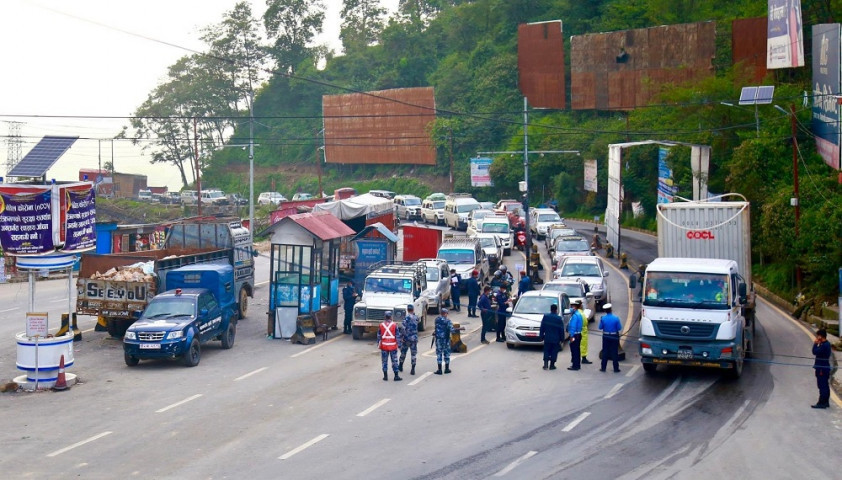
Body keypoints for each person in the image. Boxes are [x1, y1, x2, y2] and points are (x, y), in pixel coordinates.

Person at [539, 303, 565, 370]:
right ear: (556, 310)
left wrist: (541, 336)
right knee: (554, 351)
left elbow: (542, 327)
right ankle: (552, 365)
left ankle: (545, 364)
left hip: (547, 337)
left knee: (546, 350)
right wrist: (562, 339)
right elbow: (561, 329)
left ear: (550, 310)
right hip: (556, 338)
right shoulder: (559, 319)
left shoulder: (546, 317)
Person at [377, 311, 402, 381]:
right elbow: (397, 336)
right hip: (392, 346)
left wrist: (378, 344)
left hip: (384, 346)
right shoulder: (394, 325)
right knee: (394, 361)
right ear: (391, 317)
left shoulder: (381, 325)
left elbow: (379, 336)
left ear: (385, 317)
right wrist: (399, 345)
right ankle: (396, 376)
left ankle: (385, 376)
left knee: (384, 361)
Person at [598, 303, 622, 373]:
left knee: (605, 351)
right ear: (611, 310)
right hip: (614, 336)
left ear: (605, 311)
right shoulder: (616, 318)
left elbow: (600, 327)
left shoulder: (603, 318)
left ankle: (603, 368)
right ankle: (616, 368)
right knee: (614, 352)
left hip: (605, 336)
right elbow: (619, 328)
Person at [812, 328, 832, 409]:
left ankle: (822, 402)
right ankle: (826, 402)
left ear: (821, 336)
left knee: (822, 385)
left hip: (821, 368)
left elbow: (814, 351)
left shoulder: (824, 345)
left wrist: (815, 344)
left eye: (818, 336)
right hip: (824, 367)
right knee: (825, 385)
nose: (817, 337)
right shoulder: (826, 344)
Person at [398, 304, 419, 376]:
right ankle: (413, 369)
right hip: (414, 338)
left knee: (403, 352)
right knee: (413, 354)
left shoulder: (406, 318)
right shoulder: (416, 318)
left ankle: (400, 366)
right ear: (413, 309)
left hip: (407, 338)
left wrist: (401, 337)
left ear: (407, 310)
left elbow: (403, 328)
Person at [434, 308, 453, 374]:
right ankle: (446, 369)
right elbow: (452, 329)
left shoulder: (437, 319)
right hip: (446, 339)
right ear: (445, 313)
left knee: (439, 354)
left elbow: (436, 328)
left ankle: (439, 370)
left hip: (438, 339)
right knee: (446, 353)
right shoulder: (448, 321)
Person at [567, 299, 584, 370]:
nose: (571, 308)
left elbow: (573, 327)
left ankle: (575, 365)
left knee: (574, 350)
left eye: (572, 306)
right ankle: (577, 364)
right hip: (578, 334)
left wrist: (571, 336)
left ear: (575, 307)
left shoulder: (575, 316)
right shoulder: (579, 314)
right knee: (577, 350)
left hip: (574, 335)